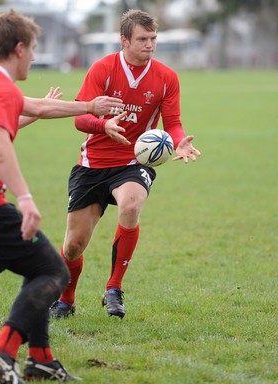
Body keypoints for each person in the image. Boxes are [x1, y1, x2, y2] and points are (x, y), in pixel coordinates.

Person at [0, 10, 122, 383]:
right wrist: (26, 198)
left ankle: (42, 359)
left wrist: (89, 107)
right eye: (32, 49)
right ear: (18, 48)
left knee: (40, 268)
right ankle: (2, 350)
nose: (34, 56)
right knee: (53, 271)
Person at [49, 9, 201, 320]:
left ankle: (114, 288)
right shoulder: (103, 69)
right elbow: (79, 117)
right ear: (124, 40)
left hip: (133, 162)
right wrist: (102, 126)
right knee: (74, 246)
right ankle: (66, 299)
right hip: (92, 164)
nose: (150, 45)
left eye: (153, 38)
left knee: (131, 206)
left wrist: (180, 139)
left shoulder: (167, 78)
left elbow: (173, 122)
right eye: (143, 39)